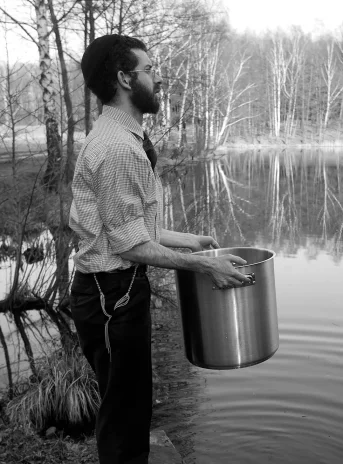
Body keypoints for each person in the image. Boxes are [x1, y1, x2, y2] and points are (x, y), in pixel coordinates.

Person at [69, 34, 250, 464]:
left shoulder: (120, 136)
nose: (158, 78)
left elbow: (130, 226)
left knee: (129, 404)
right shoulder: (118, 148)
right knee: (124, 415)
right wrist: (204, 268)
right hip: (112, 294)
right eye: (150, 70)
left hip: (114, 291)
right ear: (124, 79)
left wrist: (191, 242)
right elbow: (129, 245)